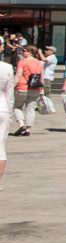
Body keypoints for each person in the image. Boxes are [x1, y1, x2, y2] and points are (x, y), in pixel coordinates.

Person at [13, 47, 45, 137]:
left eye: (24, 51)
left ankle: (21, 125)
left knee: (17, 106)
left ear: (30, 52)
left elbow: (18, 75)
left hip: (22, 87)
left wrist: (12, 86)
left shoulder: (22, 62)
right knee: (30, 109)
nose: (22, 52)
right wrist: (42, 90)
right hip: (35, 88)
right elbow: (41, 77)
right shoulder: (39, 63)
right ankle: (28, 129)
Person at [0, 54, 10, 190]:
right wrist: (10, 115)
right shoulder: (7, 67)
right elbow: (9, 94)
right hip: (2, 108)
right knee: (0, 146)